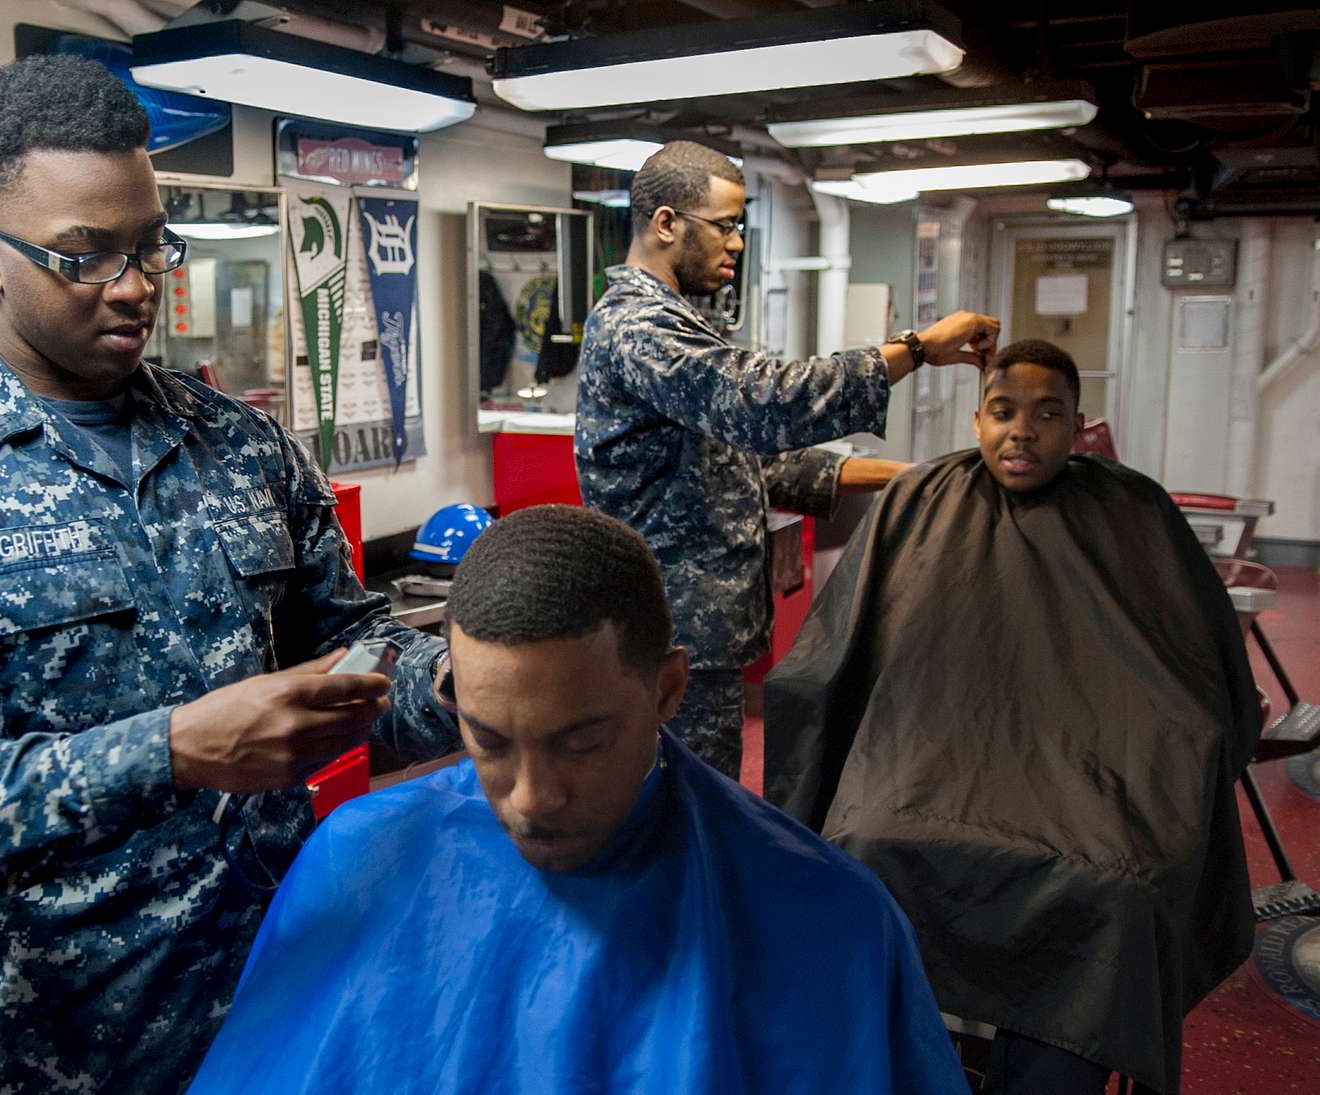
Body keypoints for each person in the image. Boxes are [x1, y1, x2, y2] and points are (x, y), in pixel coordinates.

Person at [0, 55, 457, 1092]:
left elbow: (352, 650)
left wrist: (468, 684)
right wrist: (171, 751)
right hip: (62, 1050)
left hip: (288, 1003)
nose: (136, 285)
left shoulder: (241, 446)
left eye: (150, 245)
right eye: (86, 255)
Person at [188, 505, 970, 1095]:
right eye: (488, 739)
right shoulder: (358, 860)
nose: (531, 798)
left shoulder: (825, 915)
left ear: (667, 689)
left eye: (581, 741)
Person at [763, 340, 1262, 1094]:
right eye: (1003, 411)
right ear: (977, 418)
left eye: (1046, 414)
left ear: (1076, 424)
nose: (1021, 431)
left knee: (1119, 895)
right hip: (920, 778)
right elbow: (833, 661)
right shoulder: (918, 501)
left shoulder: (1133, 512)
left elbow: (1195, 675)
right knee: (864, 848)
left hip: (1094, 799)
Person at [574, 139, 1000, 779]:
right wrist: (914, 347)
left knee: (697, 807)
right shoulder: (638, 326)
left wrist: (917, 478)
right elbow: (764, 404)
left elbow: (753, 463)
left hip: (700, 631)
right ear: (666, 223)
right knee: (685, 811)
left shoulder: (678, 321)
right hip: (668, 631)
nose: (737, 243)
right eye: (725, 226)